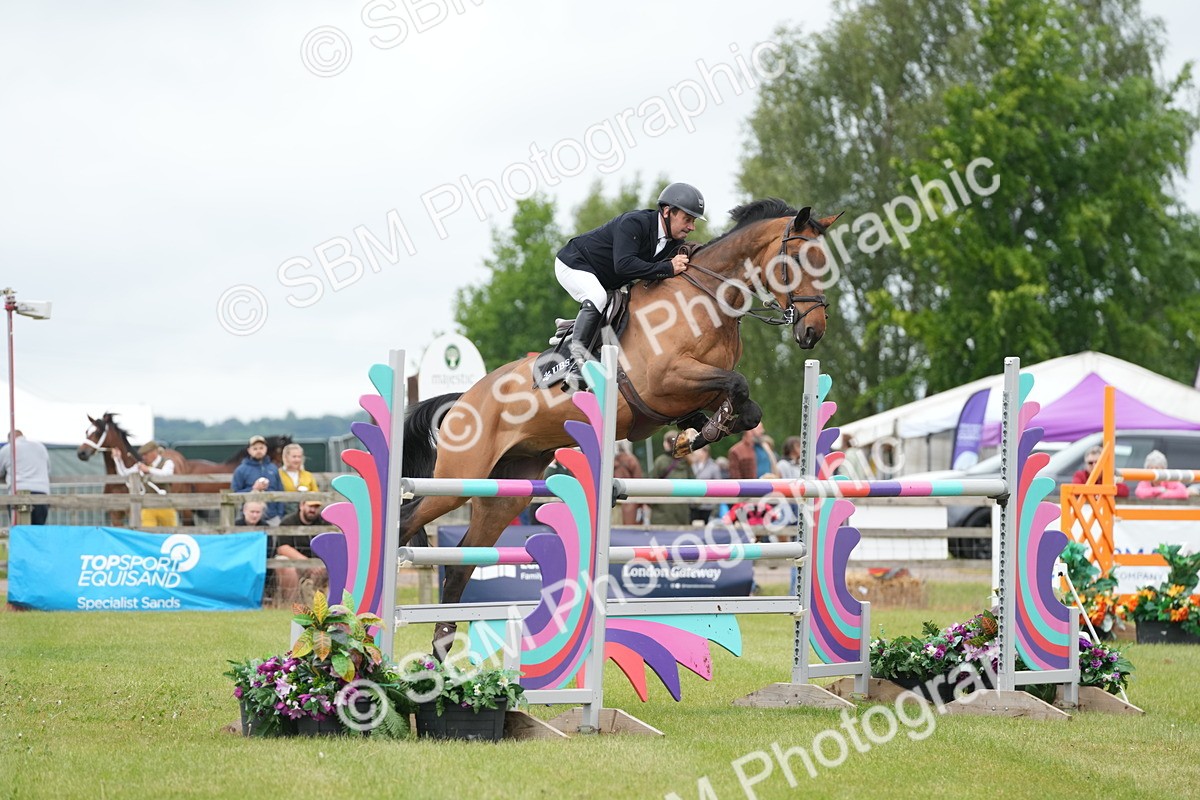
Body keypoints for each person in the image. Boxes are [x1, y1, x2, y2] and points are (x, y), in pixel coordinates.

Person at [554, 182, 705, 382]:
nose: (691, 227)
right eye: (687, 219)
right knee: (596, 296)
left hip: (606, 280)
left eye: (693, 221)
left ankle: (578, 332)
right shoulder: (634, 223)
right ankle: (576, 362)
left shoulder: (674, 244)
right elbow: (624, 265)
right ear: (668, 211)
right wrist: (668, 268)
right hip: (574, 263)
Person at [274, 499, 331, 603]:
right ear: (301, 505)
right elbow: (282, 548)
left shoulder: (324, 523)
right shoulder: (288, 522)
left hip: (319, 565)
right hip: (296, 562)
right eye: (310, 506)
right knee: (284, 564)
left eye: (316, 507)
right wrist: (308, 563)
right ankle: (291, 604)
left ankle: (322, 604)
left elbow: (330, 548)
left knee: (333, 566)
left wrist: (321, 564)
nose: (313, 510)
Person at [114, 440, 179, 527]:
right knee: (148, 533)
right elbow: (124, 473)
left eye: (146, 454)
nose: (143, 457)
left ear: (154, 452)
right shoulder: (141, 465)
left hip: (166, 505)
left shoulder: (167, 462)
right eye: (142, 455)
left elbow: (166, 474)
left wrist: (148, 470)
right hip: (148, 506)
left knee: (170, 533)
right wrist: (117, 460)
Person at [0, 430, 51, 524]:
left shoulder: (8, 448)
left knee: (20, 530)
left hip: (18, 493)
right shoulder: (41, 447)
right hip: (41, 493)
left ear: (9, 439)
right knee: (38, 530)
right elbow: (48, 469)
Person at [232, 435, 285, 523]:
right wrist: (253, 489)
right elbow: (234, 494)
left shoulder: (273, 468)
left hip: (272, 517)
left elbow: (280, 491)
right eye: (255, 448)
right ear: (249, 450)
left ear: (266, 449)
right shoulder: (240, 470)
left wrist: (280, 514)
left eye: (261, 448)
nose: (258, 451)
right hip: (249, 519)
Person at [648, 430, 693, 526]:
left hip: (662, 515)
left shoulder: (661, 461)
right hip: (682, 513)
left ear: (666, 444)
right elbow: (693, 484)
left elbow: (651, 484)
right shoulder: (686, 461)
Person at [612, 440, 648, 525]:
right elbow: (639, 485)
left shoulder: (608, 462)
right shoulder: (632, 460)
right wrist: (641, 505)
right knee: (628, 532)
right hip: (629, 501)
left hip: (613, 502)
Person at [278, 443, 319, 513]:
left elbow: (316, 495)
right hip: (284, 511)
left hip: (306, 512)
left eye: (299, 457)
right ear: (286, 457)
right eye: (294, 457)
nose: (297, 459)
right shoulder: (278, 474)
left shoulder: (308, 475)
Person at [687, 445, 722, 524]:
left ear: (705, 452)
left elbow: (718, 485)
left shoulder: (714, 467)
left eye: (698, 450)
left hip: (707, 505)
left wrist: (715, 505)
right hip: (694, 503)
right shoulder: (692, 465)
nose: (695, 452)